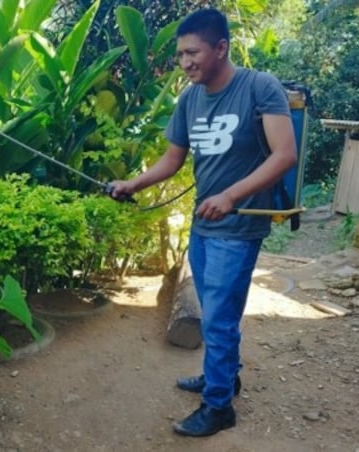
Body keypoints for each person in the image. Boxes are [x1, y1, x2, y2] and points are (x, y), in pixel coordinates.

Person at [108, 8, 297, 437]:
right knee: (215, 311)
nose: (185, 62)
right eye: (180, 55)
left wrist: (231, 195)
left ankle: (218, 406)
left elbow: (285, 155)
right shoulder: (190, 99)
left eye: (192, 52)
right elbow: (172, 160)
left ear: (220, 48)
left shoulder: (259, 87)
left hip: (239, 225)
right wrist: (133, 184)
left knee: (219, 319)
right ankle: (224, 378)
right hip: (204, 224)